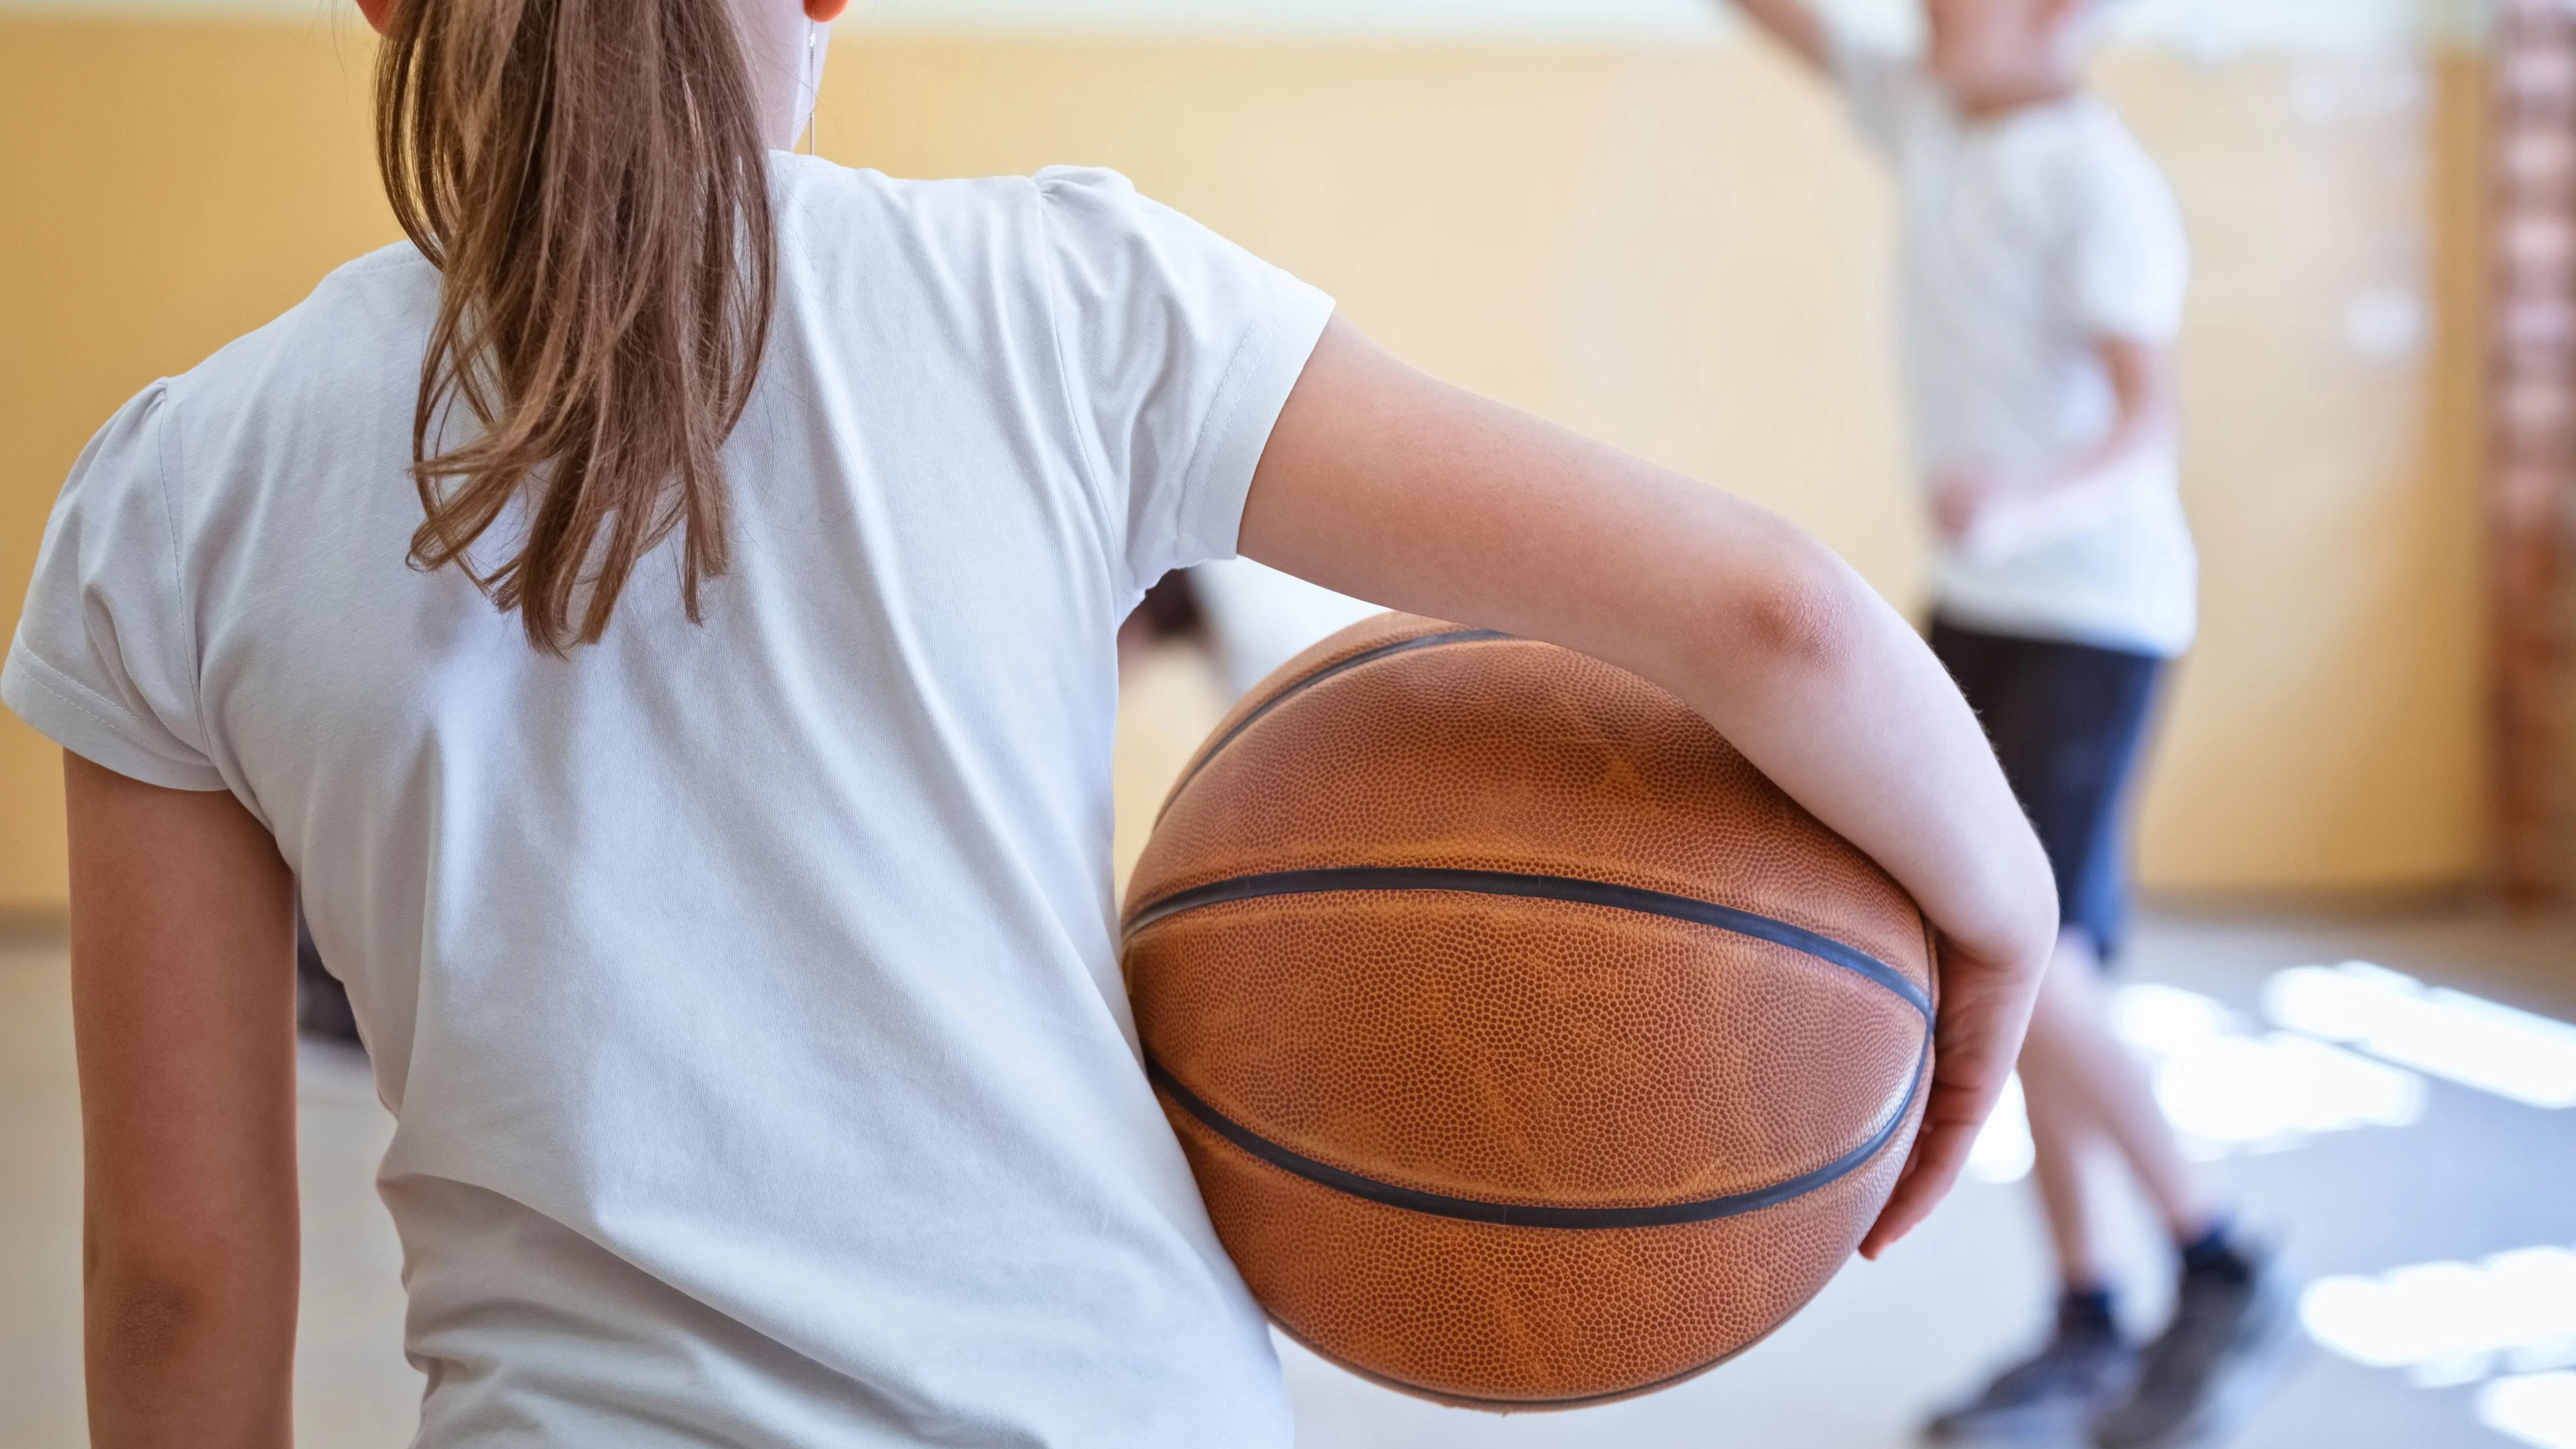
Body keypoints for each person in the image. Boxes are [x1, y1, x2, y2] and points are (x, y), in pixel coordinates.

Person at [3, 0, 2060, 1443]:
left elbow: (179, 1286)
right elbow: (1772, 613)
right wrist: (2004, 918)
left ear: (383, 7)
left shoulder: (179, 489)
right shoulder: (1072, 304)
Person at [1712, 1, 2297, 1445]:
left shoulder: (2094, 181)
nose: (1925, 11)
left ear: (2059, 17)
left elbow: (2144, 427)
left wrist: (2027, 501)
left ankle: (2220, 1263)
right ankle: (2089, 1315)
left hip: (2089, 611)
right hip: (1980, 599)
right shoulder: (1924, 105)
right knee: (2035, 971)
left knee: (2022, 959)